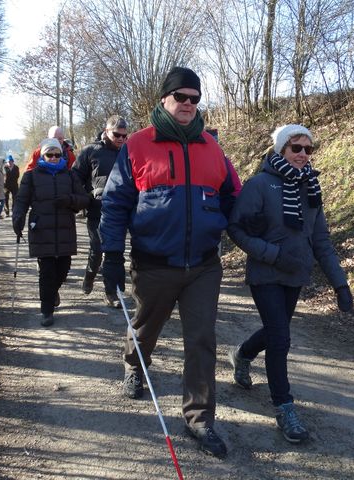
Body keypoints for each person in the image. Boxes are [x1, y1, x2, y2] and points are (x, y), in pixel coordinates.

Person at [99, 66, 239, 458]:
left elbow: (233, 197)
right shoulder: (138, 145)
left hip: (203, 265)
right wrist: (111, 253)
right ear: (165, 99)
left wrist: (230, 225)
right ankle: (133, 365)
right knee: (145, 329)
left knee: (201, 340)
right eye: (182, 97)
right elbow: (115, 204)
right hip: (154, 262)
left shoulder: (212, 147)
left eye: (195, 99)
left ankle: (200, 419)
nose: (189, 105)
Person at [226, 124, 353, 444]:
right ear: (281, 149)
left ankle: (242, 354)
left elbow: (321, 240)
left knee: (274, 330)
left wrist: (340, 284)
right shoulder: (259, 185)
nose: (302, 155)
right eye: (296, 148)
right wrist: (272, 254)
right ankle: (284, 407)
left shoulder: (311, 188)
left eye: (308, 149)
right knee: (281, 338)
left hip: (296, 275)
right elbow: (237, 229)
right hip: (265, 274)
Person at [12, 138, 89, 327]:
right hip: (41, 230)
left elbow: (84, 200)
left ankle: (52, 292)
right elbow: (21, 201)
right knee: (46, 271)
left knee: (63, 268)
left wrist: (69, 200)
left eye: (57, 154)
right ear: (42, 155)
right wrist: (18, 217)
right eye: (50, 154)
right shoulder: (31, 176)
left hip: (65, 229)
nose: (54, 158)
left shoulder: (70, 176)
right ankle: (47, 310)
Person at [72, 115, 128, 306]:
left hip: (120, 209)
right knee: (97, 249)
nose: (121, 138)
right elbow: (75, 177)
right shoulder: (90, 151)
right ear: (106, 131)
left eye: (124, 135)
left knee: (115, 251)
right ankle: (89, 276)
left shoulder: (128, 153)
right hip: (97, 209)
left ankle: (112, 292)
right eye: (117, 134)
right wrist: (87, 195)